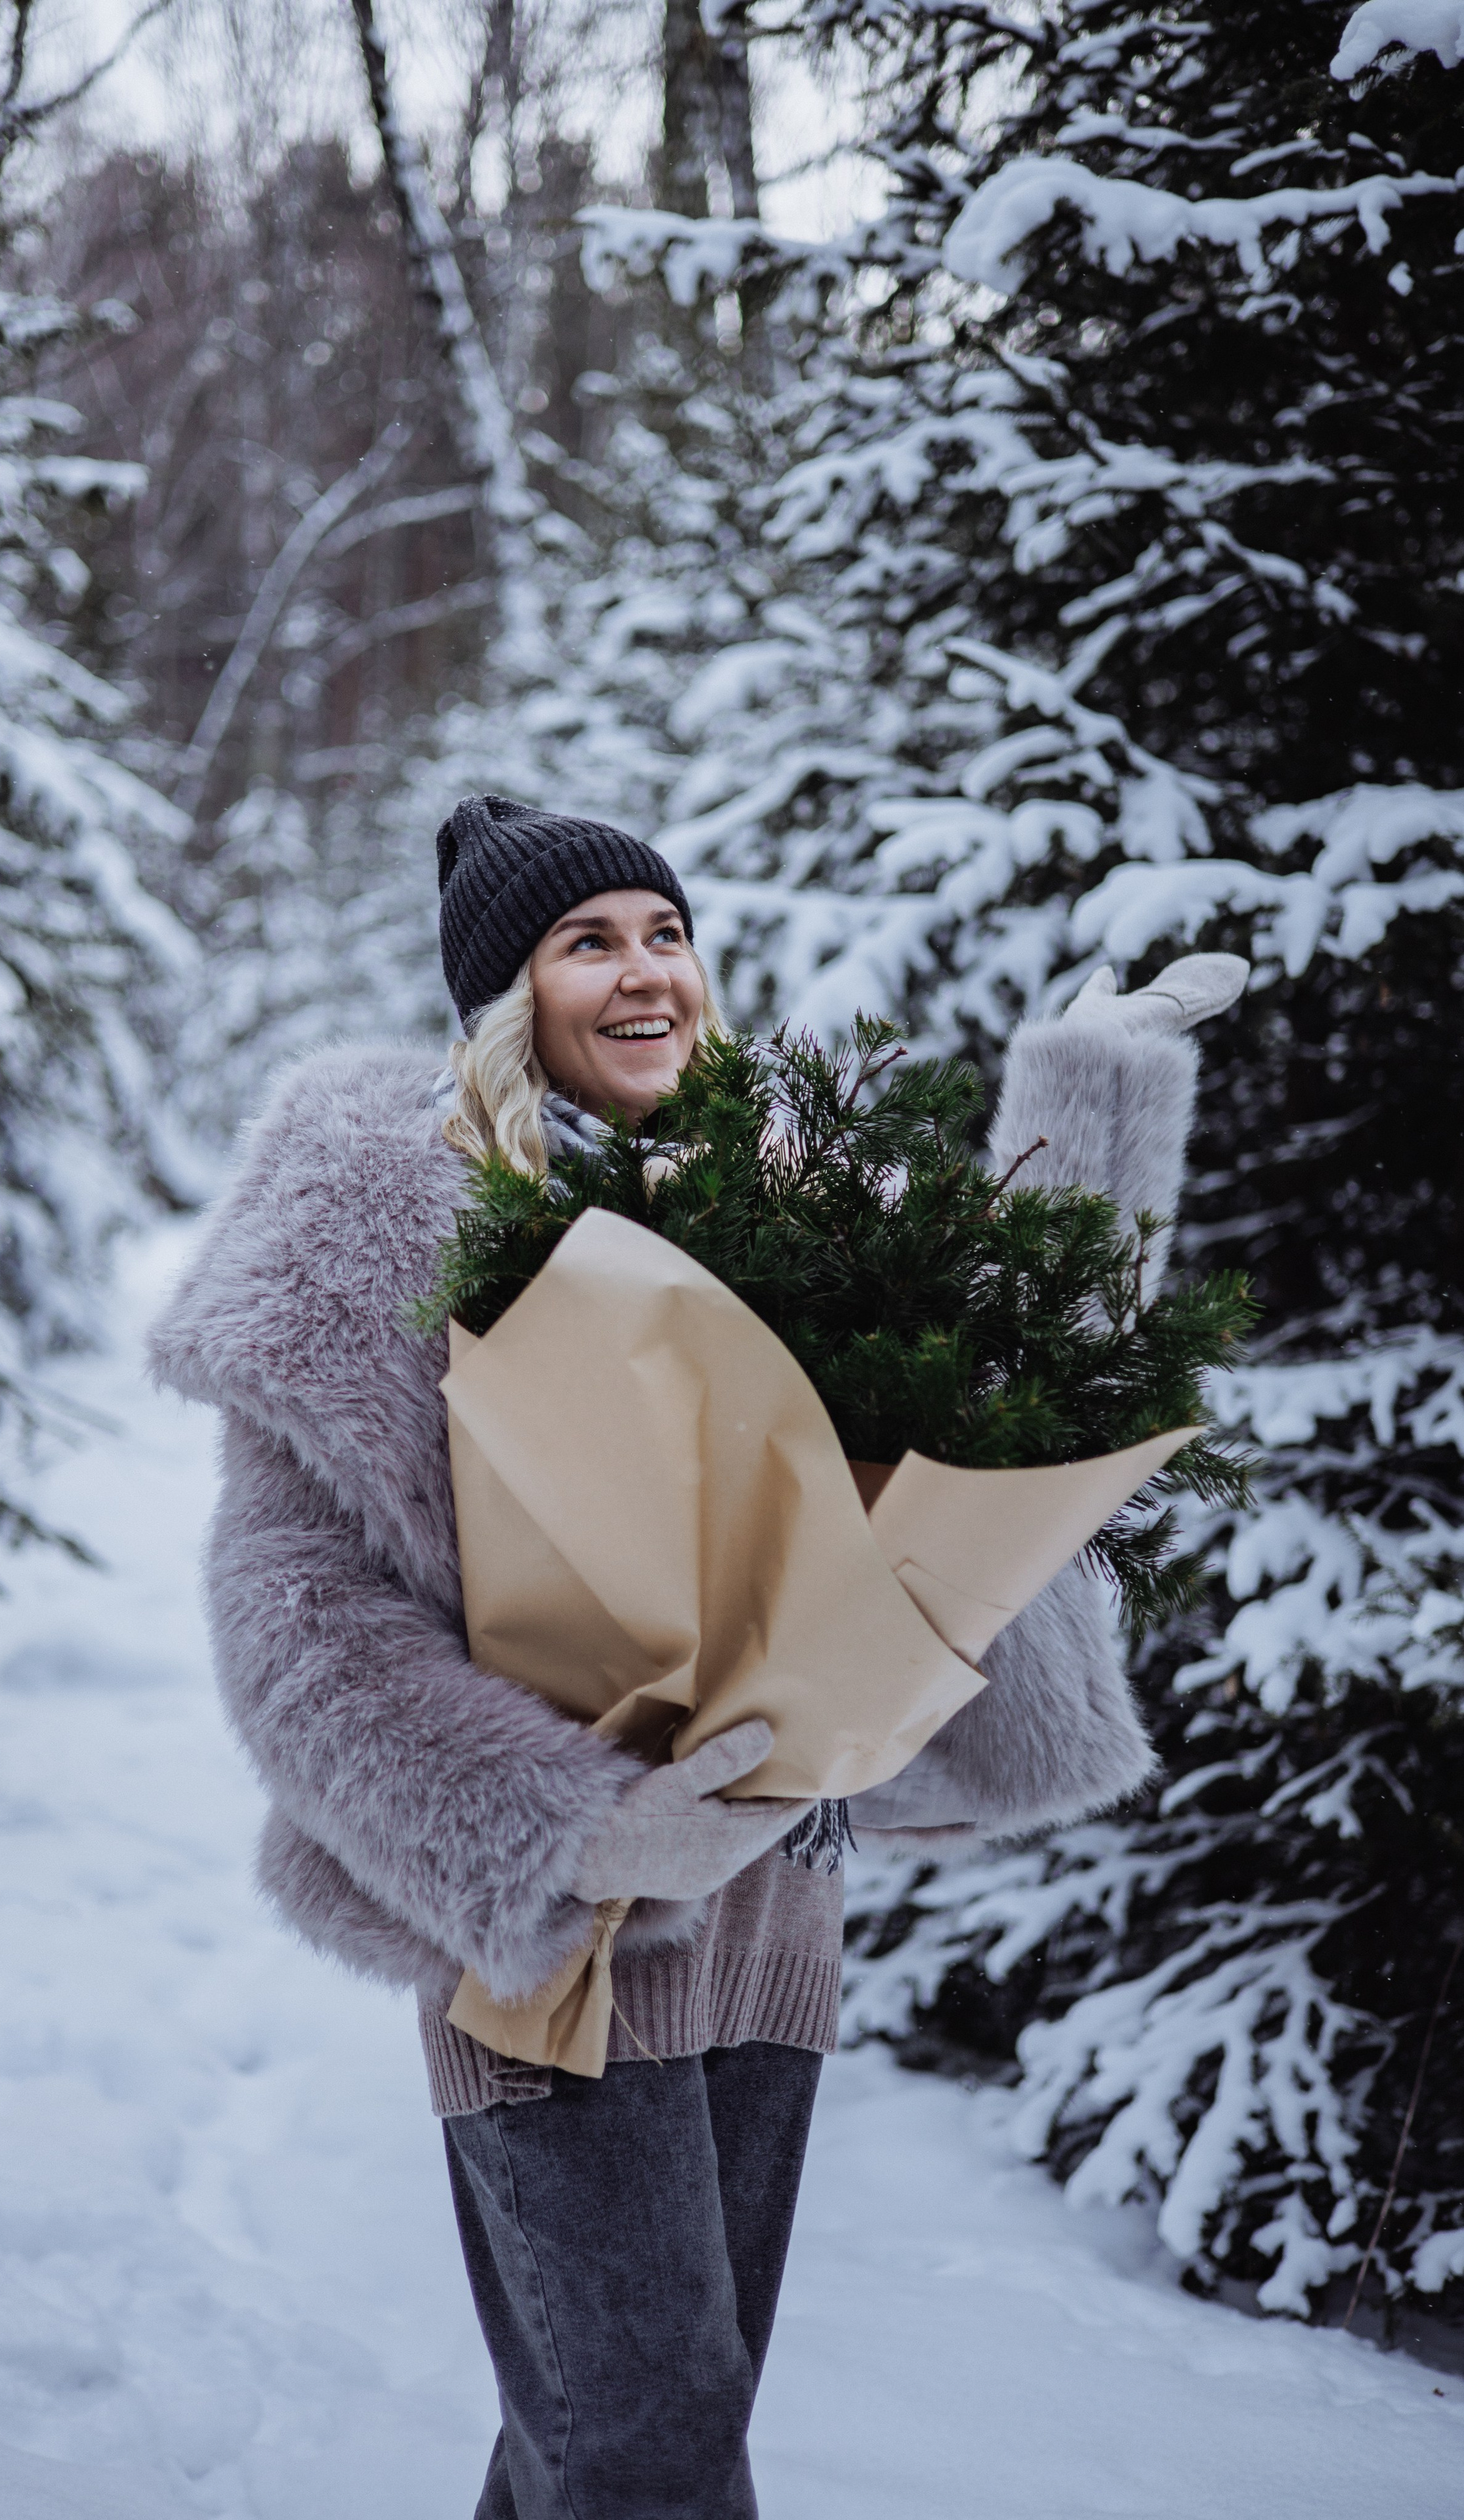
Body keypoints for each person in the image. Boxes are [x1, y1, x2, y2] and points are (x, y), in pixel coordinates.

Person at [148, 793, 1247, 2519]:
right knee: (649, 2454)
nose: (647, 971)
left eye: (666, 934)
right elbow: (301, 1639)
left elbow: (1011, 1384)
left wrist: (1091, 1090)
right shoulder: (386, 1242)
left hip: (774, 1913)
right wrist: (583, 1831)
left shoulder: (779, 1195)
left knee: (624, 2444)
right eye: (588, 943)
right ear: (506, 997)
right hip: (559, 1938)